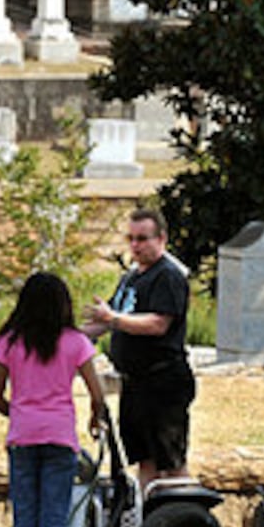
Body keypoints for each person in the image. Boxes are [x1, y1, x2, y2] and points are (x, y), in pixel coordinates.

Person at [0, 273, 108, 527]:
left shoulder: (10, 341)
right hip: (59, 440)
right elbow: (98, 392)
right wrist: (93, 416)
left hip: (22, 440)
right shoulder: (74, 342)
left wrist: (22, 414)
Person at [81, 207, 194, 494]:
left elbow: (158, 323)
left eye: (143, 239)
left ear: (162, 239)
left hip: (162, 382)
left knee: (170, 462)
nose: (135, 246)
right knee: (145, 459)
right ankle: (149, 523)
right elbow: (106, 321)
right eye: (131, 239)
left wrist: (113, 319)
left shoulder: (168, 276)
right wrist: (67, 337)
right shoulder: (130, 278)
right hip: (134, 384)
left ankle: (181, 520)